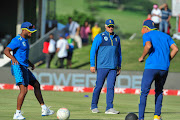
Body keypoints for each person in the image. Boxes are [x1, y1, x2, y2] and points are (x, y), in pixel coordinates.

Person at [4, 22, 54, 120]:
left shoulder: (26, 40)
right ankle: (17, 114)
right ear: (24, 30)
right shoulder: (17, 40)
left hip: (25, 67)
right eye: (30, 32)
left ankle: (44, 109)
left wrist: (30, 64)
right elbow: (6, 50)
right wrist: (12, 59)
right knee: (24, 90)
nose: (31, 34)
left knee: (36, 84)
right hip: (18, 67)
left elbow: (22, 56)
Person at [139, 20, 178, 120]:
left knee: (144, 92)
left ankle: (141, 118)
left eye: (142, 28)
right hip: (164, 68)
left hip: (151, 67)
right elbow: (175, 49)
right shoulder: (166, 36)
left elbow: (148, 46)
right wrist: (167, 59)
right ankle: (157, 116)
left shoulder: (147, 34)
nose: (142, 30)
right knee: (159, 91)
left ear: (146, 28)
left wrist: (142, 57)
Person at [90, 19, 121, 114]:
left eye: (112, 26)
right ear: (105, 26)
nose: (111, 28)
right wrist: (92, 64)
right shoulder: (99, 37)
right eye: (109, 26)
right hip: (102, 66)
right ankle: (94, 106)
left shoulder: (117, 38)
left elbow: (119, 53)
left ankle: (109, 108)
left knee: (111, 87)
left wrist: (119, 65)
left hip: (113, 67)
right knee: (98, 86)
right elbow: (93, 51)